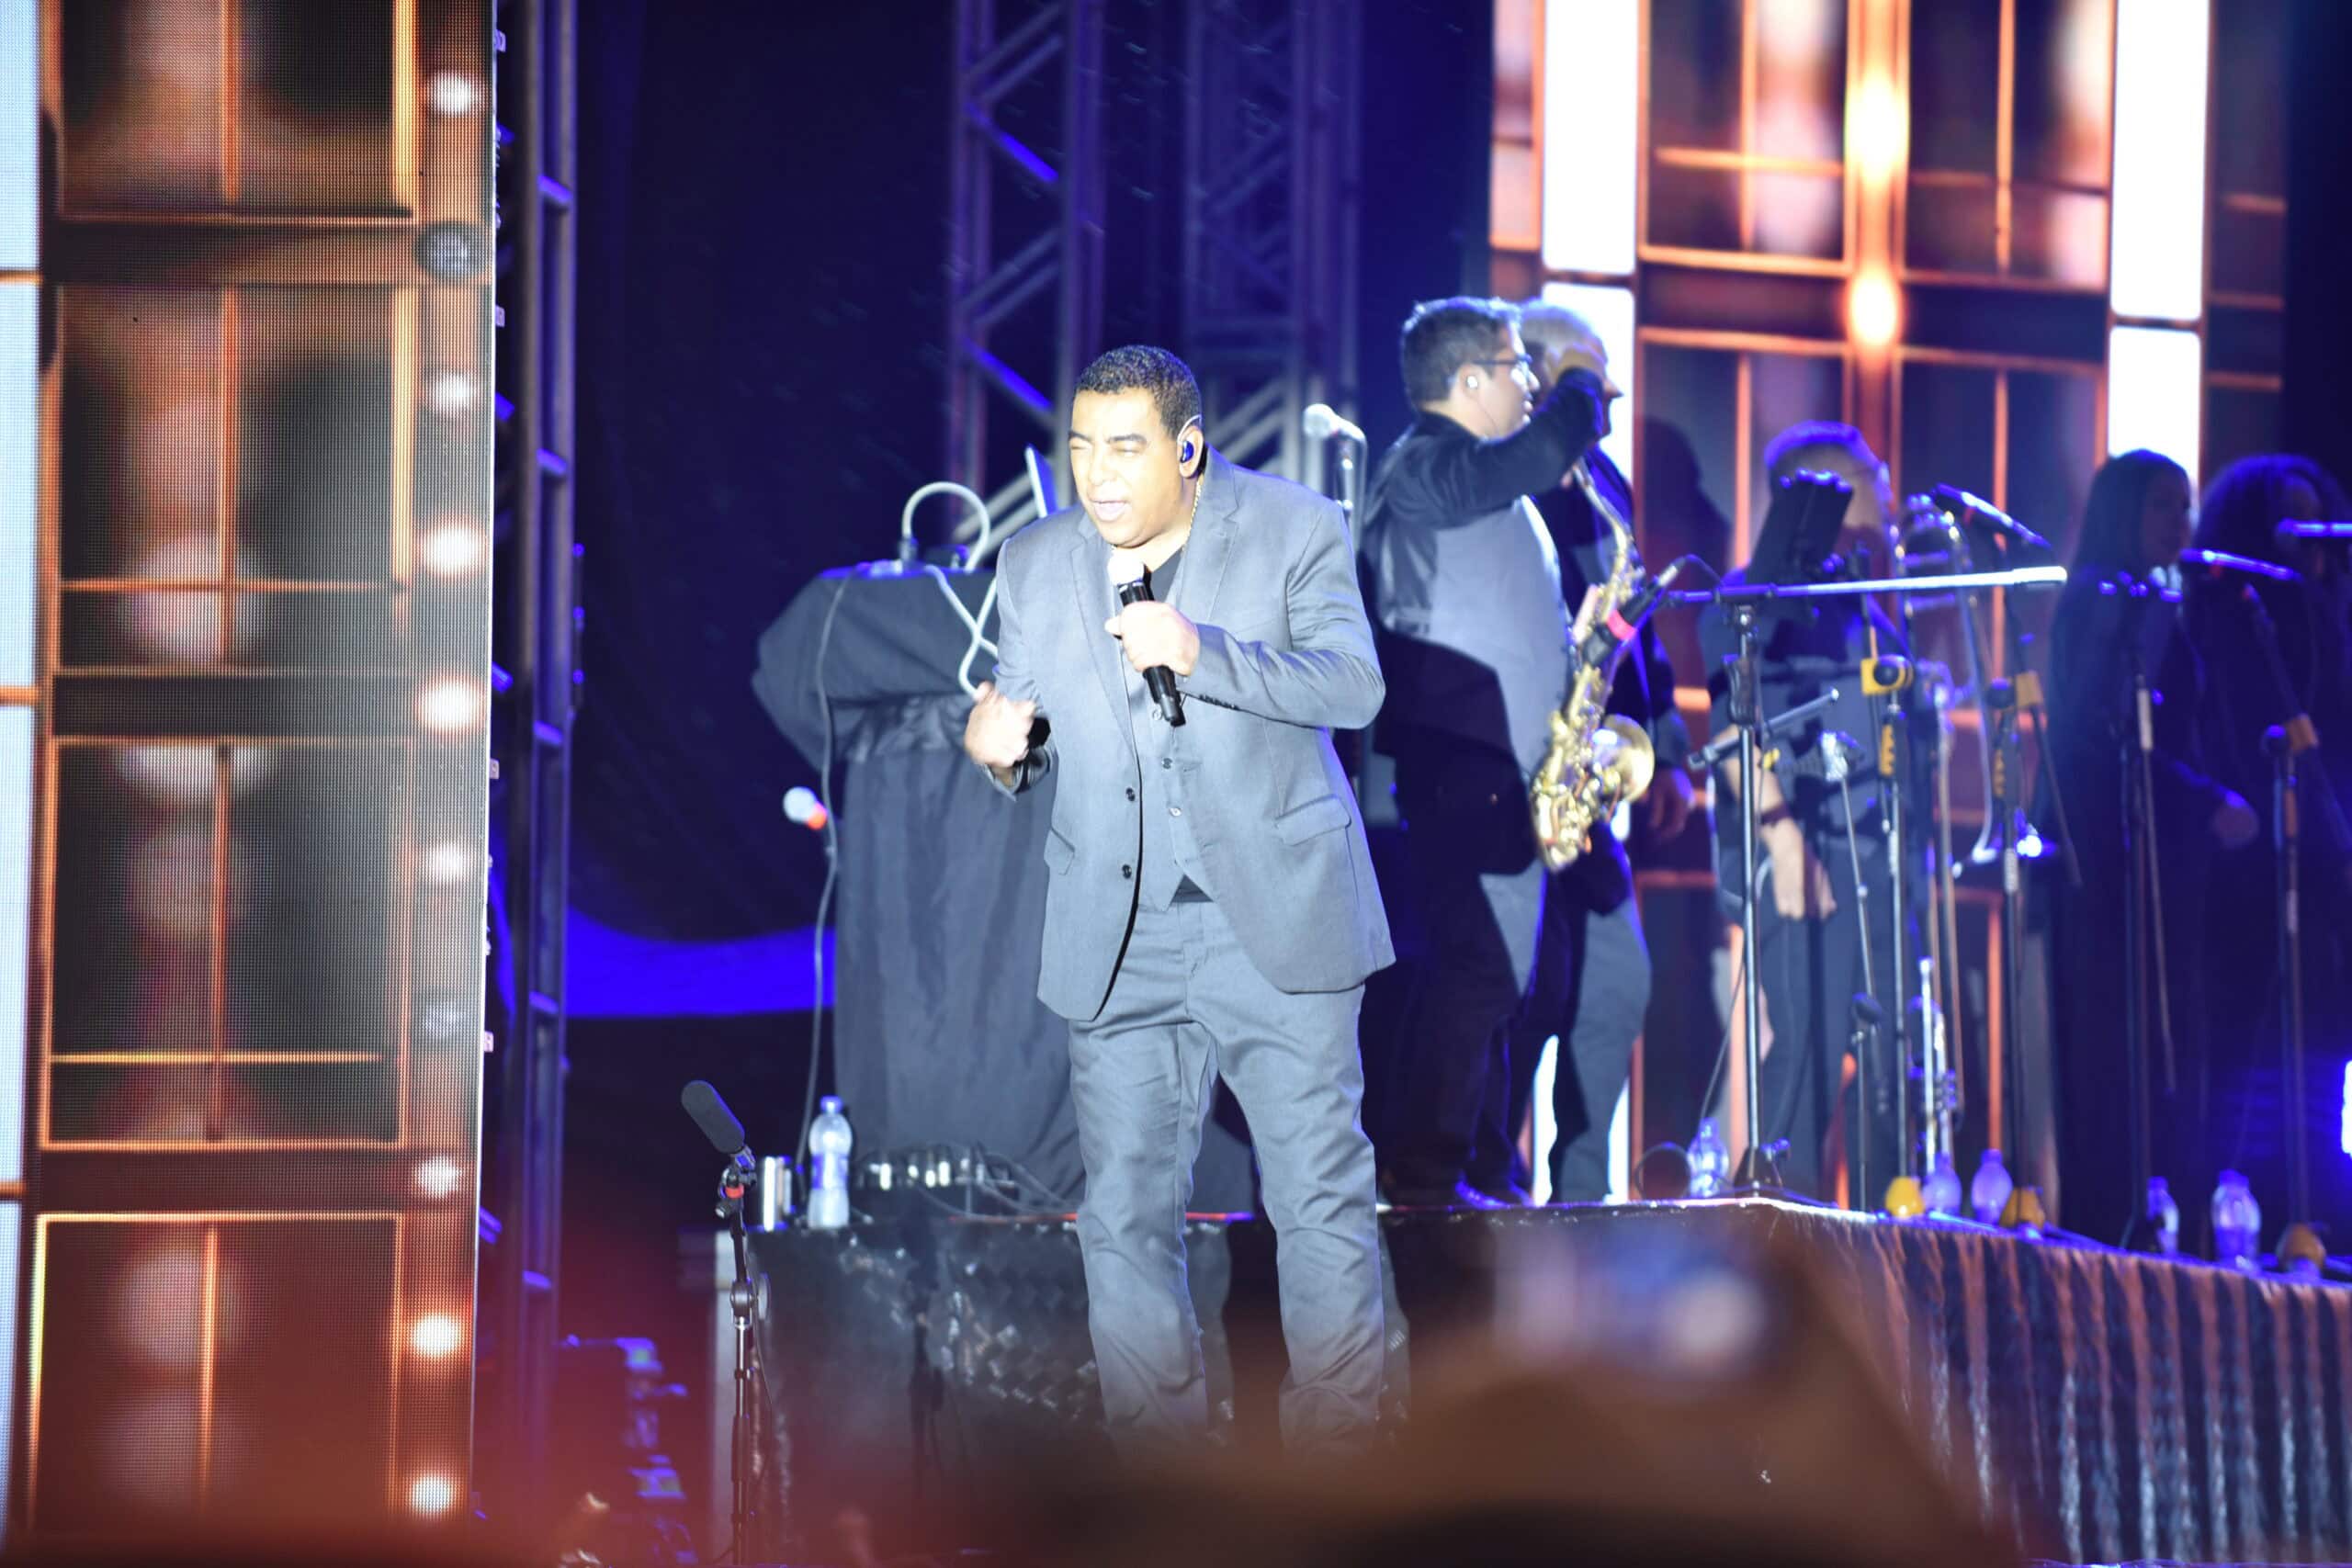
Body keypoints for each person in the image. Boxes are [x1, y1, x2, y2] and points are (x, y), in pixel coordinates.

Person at [962, 344, 1392, 1456]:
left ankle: (1343, 1488)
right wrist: (999, 749)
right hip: (1120, 932)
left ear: (1187, 448)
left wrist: (1206, 651)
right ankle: (1166, 1491)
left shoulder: (1295, 526)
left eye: (1125, 449)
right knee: (1122, 1214)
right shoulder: (1034, 559)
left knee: (1317, 1198)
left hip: (1279, 913)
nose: (1097, 475)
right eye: (1081, 448)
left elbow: (1354, 686)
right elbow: (1026, 725)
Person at [1355, 297, 1609, 1207]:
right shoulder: (1426, 466)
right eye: (1517, 368)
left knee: (1514, 976)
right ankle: (1426, 1171)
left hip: (1504, 761)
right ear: (1468, 381)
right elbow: (1539, 453)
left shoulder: (1469, 481)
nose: (1529, 384)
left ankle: (1481, 1167)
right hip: (1461, 757)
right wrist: (1580, 381)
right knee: (1480, 970)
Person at [1499, 299, 1696, 1202]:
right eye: (1589, 371)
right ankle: (1488, 1189)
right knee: (1525, 997)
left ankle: (1579, 1201)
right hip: (1515, 778)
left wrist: (1667, 750)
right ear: (1538, 379)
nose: (1612, 388)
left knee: (1616, 983)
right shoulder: (1506, 472)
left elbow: (1637, 629)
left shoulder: (1605, 479)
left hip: (1584, 782)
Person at [2041, 450, 2255, 1247]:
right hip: (2109, 863)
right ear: (2124, 510)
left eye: (2185, 505)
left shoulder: (2167, 600)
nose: (2180, 522)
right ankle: (2107, 1220)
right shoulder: (2103, 603)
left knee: (2168, 1047)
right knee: (2111, 1047)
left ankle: (2170, 1214)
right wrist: (2203, 800)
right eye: (2163, 504)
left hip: (2166, 863)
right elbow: (2098, 737)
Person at [1698, 422, 1906, 1203]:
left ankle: (1888, 1231)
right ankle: (1777, 1226)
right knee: (1808, 1051)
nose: (1888, 492)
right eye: (1873, 478)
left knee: (1890, 1054)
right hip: (1801, 854)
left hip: (1872, 853)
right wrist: (1783, 837)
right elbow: (1731, 731)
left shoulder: (1857, 601)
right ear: (1832, 494)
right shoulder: (1751, 597)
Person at [2181, 455, 2352, 1196]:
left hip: (2320, 865)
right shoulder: (2229, 616)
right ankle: (2236, 1203)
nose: (2309, 538)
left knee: (2319, 1052)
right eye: (2291, 519)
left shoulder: (2325, 622)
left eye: (2318, 520)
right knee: (2246, 1056)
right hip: (2247, 867)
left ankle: (2319, 1201)